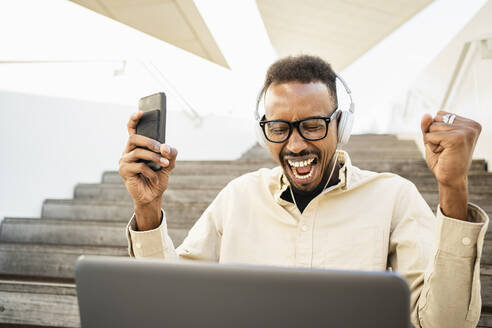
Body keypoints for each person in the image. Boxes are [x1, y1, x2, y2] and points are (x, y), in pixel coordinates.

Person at [118, 55, 489, 328]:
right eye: (279, 128)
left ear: (341, 126)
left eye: (312, 125)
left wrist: (453, 188)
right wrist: (147, 206)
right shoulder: (238, 197)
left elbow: (446, 324)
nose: (295, 145)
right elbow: (168, 305)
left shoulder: (394, 197)